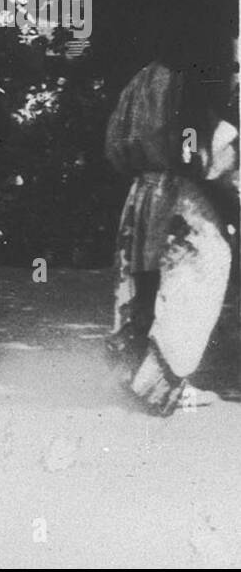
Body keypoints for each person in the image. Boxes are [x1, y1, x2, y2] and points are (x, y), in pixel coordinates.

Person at [105, 32, 238, 415]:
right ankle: (165, 385)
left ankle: (133, 376)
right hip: (183, 195)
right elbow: (199, 153)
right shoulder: (188, 80)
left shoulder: (141, 78)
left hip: (143, 192)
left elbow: (113, 143)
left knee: (144, 282)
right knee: (192, 281)